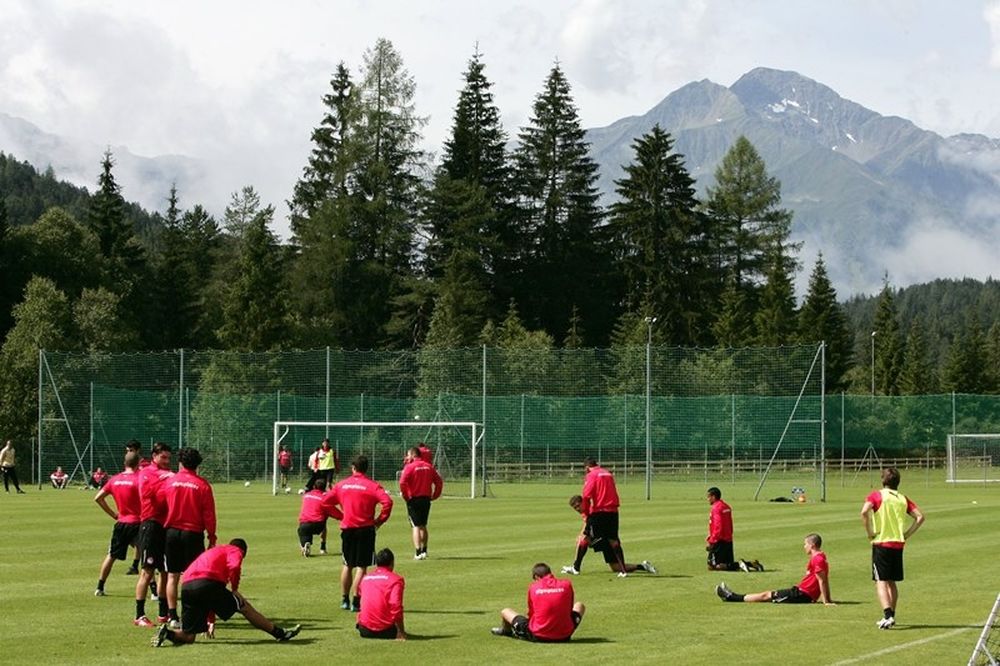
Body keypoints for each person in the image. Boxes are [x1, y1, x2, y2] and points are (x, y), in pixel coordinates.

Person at [151, 538, 301, 647]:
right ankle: (280, 634)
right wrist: (235, 589)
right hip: (207, 583)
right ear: (243, 551)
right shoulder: (235, 550)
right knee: (245, 607)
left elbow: (208, 599)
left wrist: (210, 620)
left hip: (187, 586)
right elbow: (234, 566)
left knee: (189, 636)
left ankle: (167, 633)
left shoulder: (215, 550)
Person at [322, 454, 393, 612]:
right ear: (366, 469)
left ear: (353, 468)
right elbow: (387, 502)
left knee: (347, 565)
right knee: (361, 567)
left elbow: (325, 502)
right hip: (366, 529)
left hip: (348, 528)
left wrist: (340, 515)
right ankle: (356, 600)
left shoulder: (342, 485)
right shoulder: (372, 486)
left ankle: (344, 599)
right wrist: (379, 520)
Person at [562, 457, 656, 577]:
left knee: (585, 539)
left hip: (600, 512)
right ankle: (624, 571)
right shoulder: (607, 473)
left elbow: (586, 495)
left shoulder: (592, 475)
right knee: (614, 542)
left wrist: (586, 510)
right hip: (613, 512)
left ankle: (576, 568)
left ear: (586, 467)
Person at [861, 466, 925, 629]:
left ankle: (887, 615)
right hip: (898, 544)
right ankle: (891, 616)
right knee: (891, 581)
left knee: (880, 580)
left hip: (881, 542)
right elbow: (920, 517)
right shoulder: (903, 498)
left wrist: (870, 532)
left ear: (883, 480)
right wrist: (906, 534)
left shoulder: (877, 495)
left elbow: (864, 512)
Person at [160, 447, 216, 628]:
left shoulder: (170, 481)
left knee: (172, 576)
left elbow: (160, 504)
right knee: (194, 577)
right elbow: (209, 514)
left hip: (172, 532)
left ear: (181, 462)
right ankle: (192, 614)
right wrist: (212, 535)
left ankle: (172, 615)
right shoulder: (203, 485)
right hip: (193, 534)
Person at [716, 533, 833, 605]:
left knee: (766, 595)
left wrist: (826, 601)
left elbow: (822, 581)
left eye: (805, 544)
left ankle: (731, 597)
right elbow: (823, 580)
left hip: (802, 594)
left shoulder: (818, 559)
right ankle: (732, 596)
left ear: (812, 545)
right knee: (767, 595)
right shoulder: (820, 557)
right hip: (801, 592)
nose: (804, 547)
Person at [562, 494, 656, 576]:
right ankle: (643, 566)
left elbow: (590, 527)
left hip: (605, 536)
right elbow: (587, 523)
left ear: (583, 502)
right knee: (615, 567)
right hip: (605, 538)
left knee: (584, 541)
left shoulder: (592, 509)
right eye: (575, 508)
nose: (577, 509)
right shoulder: (585, 512)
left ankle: (575, 567)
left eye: (578, 506)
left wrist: (582, 536)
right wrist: (581, 533)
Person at [133, 442, 174, 628]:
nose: (166, 461)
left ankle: (163, 613)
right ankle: (139, 614)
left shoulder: (169, 474)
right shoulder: (146, 472)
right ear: (154, 456)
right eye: (163, 457)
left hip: (165, 525)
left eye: (168, 458)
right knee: (147, 571)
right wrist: (170, 478)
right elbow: (149, 492)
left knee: (165, 570)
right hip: (150, 525)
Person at [491, 563, 585, 642]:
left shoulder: (534, 587)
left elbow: (532, 614)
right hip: (564, 635)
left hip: (539, 635)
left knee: (505, 611)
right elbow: (569, 609)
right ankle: (560, 630)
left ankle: (507, 631)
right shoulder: (567, 584)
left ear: (536, 577)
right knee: (580, 605)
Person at [94, 452, 142, 596]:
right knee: (145, 556)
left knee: (111, 555)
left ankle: (100, 587)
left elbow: (98, 498)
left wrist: (114, 514)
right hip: (137, 522)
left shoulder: (114, 479)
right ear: (138, 464)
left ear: (124, 463)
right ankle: (153, 592)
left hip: (121, 522)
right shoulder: (139, 479)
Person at [398, 446, 443, 560]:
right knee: (423, 525)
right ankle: (424, 550)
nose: (407, 457)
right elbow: (439, 482)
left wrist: (405, 496)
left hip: (414, 499)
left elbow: (402, 482)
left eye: (408, 455)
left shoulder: (410, 467)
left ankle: (418, 552)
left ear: (413, 455)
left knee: (415, 526)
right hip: (426, 499)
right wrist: (435, 495)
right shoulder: (429, 467)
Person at [706, 487, 763, 572]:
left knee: (713, 566)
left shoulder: (716, 508)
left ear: (713, 497)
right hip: (728, 539)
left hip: (719, 540)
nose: (707, 499)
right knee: (727, 563)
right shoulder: (726, 506)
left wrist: (712, 540)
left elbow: (718, 526)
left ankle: (741, 564)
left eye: (708, 497)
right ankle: (751, 564)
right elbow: (729, 524)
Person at [356, 548, 406, 640]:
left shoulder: (365, 578)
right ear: (392, 563)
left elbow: (361, 599)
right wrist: (401, 631)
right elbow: (396, 606)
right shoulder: (396, 580)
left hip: (364, 630)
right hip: (385, 631)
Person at [297, 478, 341, 556]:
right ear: (324, 488)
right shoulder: (324, 499)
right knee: (324, 516)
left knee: (303, 532)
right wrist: (343, 517)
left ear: (314, 486)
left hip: (304, 524)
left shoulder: (306, 496)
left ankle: (305, 545)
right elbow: (334, 513)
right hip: (318, 525)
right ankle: (322, 547)